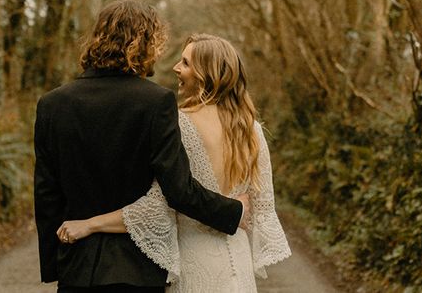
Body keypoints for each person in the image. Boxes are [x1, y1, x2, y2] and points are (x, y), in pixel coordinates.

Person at [34, 2, 248, 293]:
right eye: (157, 43)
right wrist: (233, 212)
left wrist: (54, 264)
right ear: (143, 43)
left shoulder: (52, 105)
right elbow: (179, 190)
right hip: (138, 270)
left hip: (76, 269)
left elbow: (47, 193)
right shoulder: (155, 102)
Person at [56, 33, 291, 292]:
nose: (176, 68)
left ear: (206, 73)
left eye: (186, 63)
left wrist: (89, 224)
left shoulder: (178, 125)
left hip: (194, 265)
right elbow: (261, 208)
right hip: (239, 268)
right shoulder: (252, 130)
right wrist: (236, 209)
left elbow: (158, 207)